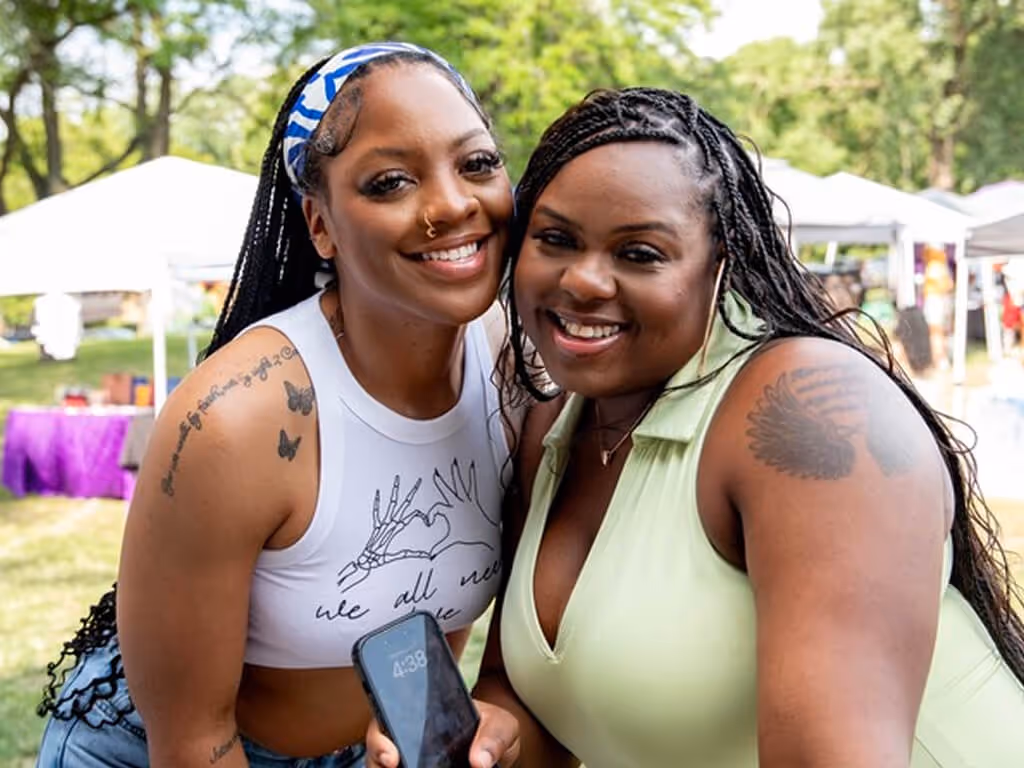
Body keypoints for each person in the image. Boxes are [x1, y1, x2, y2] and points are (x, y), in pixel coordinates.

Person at [372, 87, 1024, 767]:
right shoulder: (553, 429)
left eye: (641, 254)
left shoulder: (800, 412)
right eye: (556, 240)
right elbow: (535, 697)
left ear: (720, 267)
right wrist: (491, 737)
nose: (585, 281)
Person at [36, 41, 517, 768]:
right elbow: (194, 739)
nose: (452, 203)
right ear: (319, 224)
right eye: (390, 182)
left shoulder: (517, 369)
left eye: (477, 163)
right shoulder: (237, 419)